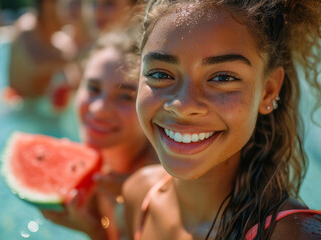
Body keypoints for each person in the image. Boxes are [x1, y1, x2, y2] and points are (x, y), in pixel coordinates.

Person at [122, 0, 321, 239]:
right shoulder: (139, 194)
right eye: (160, 74)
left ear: (268, 90)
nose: (183, 106)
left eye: (223, 78)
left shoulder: (293, 234)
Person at [41, 27, 158, 240]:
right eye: (93, 89)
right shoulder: (101, 175)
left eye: (125, 96)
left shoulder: (159, 192)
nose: (98, 108)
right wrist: (94, 229)